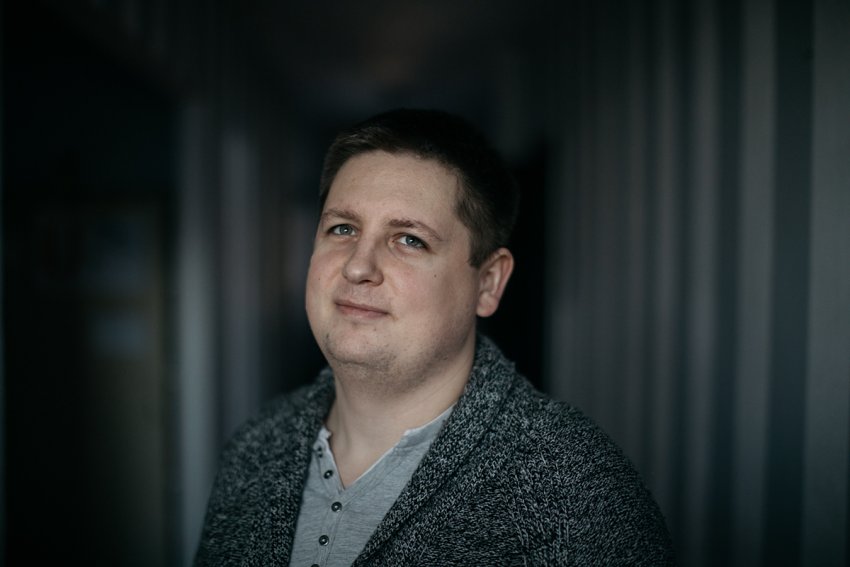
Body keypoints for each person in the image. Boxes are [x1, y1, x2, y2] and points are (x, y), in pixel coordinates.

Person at [195, 109, 675, 566]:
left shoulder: (578, 490)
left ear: (487, 284)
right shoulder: (254, 448)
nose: (358, 266)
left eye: (410, 239)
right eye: (342, 228)